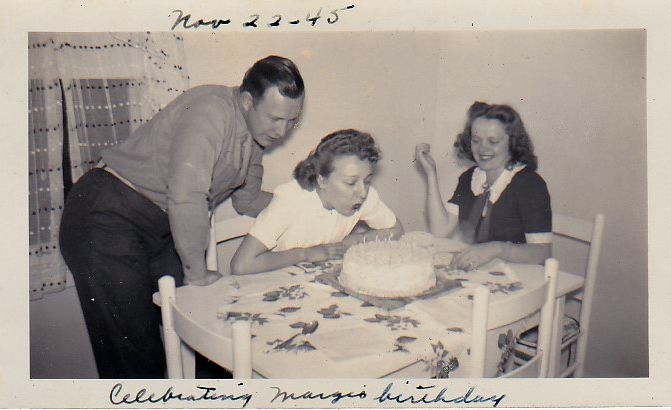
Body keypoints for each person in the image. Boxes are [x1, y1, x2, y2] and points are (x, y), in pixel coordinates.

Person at [58, 55, 305, 378]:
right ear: (247, 101)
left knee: (207, 337)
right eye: (275, 118)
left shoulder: (255, 139)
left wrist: (311, 207)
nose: (282, 131)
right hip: (107, 214)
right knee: (135, 355)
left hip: (159, 227)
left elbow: (248, 201)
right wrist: (197, 273)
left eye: (291, 122)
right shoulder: (211, 110)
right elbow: (187, 195)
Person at [231, 129, 404, 275]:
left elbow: (396, 229)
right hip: (277, 281)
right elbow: (241, 265)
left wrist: (353, 241)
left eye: (367, 181)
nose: (362, 192)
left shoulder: (364, 196)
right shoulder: (291, 199)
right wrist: (306, 254)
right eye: (351, 182)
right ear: (322, 180)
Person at [415, 101, 551, 271]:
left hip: (522, 276)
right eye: (476, 140)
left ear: (512, 143)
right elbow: (440, 230)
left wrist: (497, 248)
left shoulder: (529, 184)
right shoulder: (470, 178)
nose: (482, 149)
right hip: (484, 273)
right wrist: (431, 175)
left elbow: (542, 252)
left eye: (493, 141)